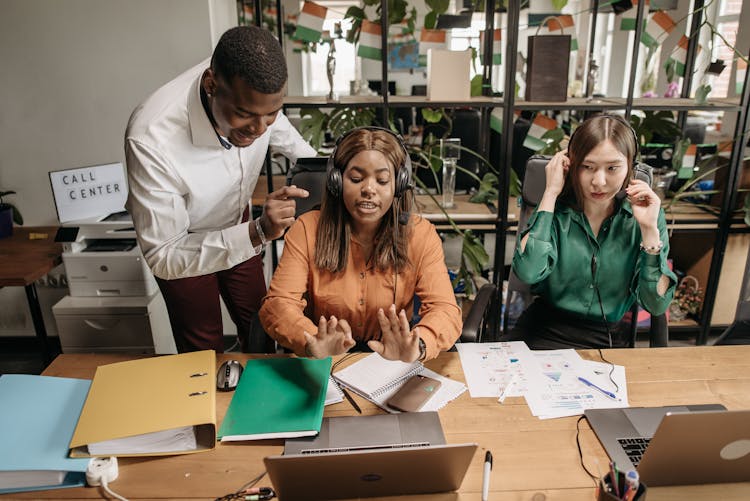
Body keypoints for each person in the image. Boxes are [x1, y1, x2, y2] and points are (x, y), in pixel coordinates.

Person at [125, 26, 315, 353]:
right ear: (211, 84)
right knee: (203, 351)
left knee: (262, 328)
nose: (258, 130)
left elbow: (298, 150)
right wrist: (257, 232)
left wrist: (328, 175)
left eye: (270, 115)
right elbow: (163, 255)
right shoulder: (150, 138)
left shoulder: (257, 94)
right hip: (182, 241)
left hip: (238, 221)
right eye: (244, 115)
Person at [259, 127, 462, 361]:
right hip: (326, 360)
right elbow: (278, 304)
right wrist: (314, 341)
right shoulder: (306, 229)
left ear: (398, 184)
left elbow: (445, 309)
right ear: (336, 181)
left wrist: (419, 345)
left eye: (382, 180)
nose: (368, 189)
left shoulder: (420, 235)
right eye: (356, 179)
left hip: (391, 360)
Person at [508, 114, 677, 349]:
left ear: (631, 167)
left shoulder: (646, 215)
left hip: (606, 338)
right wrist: (550, 193)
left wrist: (649, 231)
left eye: (612, 168)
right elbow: (527, 272)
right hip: (543, 331)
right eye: (588, 167)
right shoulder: (554, 210)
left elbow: (656, 304)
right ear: (572, 165)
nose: (599, 181)